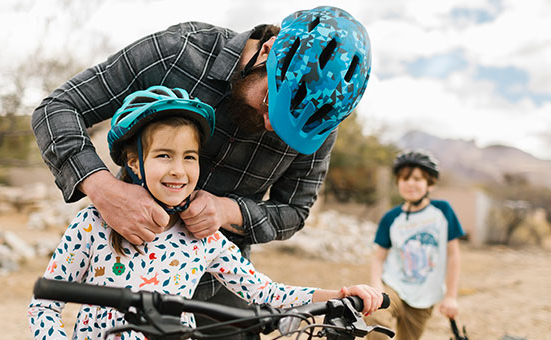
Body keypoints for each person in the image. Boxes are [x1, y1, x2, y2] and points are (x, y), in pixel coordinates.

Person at [31, 6, 371, 339]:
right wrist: (104, 189)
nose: (273, 125)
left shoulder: (316, 119)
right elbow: (58, 108)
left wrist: (226, 211)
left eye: (290, 127)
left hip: (224, 293)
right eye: (271, 101)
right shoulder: (177, 53)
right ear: (267, 51)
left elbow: (293, 216)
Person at [365, 150, 465, 340]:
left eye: (418, 179)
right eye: (404, 178)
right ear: (398, 183)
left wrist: (451, 296)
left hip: (424, 296)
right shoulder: (391, 218)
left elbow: (453, 255)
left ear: (431, 184)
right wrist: (376, 286)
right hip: (393, 286)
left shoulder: (442, 211)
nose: (410, 183)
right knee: (377, 318)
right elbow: (378, 257)